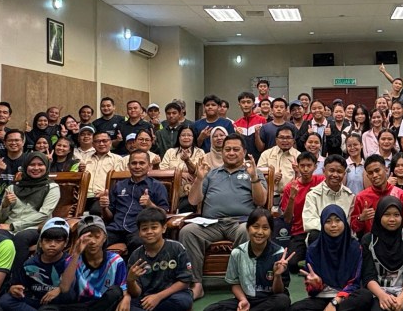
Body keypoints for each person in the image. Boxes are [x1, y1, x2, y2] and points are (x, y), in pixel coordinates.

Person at [180, 133, 267, 299]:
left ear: (244, 152)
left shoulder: (253, 172)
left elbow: (261, 201)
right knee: (188, 231)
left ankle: (242, 282)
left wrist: (254, 177)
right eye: (227, 149)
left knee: (248, 230)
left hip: (241, 222)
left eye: (236, 149)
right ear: (222, 152)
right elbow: (193, 200)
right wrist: (199, 179)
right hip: (211, 223)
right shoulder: (211, 173)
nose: (231, 153)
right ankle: (196, 284)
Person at [204, 208, 292, 311]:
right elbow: (235, 283)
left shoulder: (279, 253)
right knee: (212, 309)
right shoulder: (237, 252)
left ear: (271, 231)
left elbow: (279, 292)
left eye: (265, 228)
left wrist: (277, 275)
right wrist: (243, 300)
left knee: (282, 301)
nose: (260, 232)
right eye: (255, 227)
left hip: (269, 300)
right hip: (247, 299)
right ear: (247, 228)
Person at [0, 152, 61, 272]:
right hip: (9, 227)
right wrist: (5, 205)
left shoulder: (52, 188)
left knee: (22, 237)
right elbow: (0, 219)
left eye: (40, 164)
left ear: (46, 166)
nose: (36, 168)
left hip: (36, 227)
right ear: (25, 167)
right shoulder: (12, 188)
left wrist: (13, 226)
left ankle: (16, 276)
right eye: (32, 164)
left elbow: (43, 215)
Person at [351, 196, 403, 311]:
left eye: (396, 215)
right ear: (379, 216)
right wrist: (382, 296)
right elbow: (368, 275)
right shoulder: (368, 240)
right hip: (377, 293)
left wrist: (402, 299)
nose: (392, 219)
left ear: (402, 216)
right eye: (387, 214)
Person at [290, 205, 365, 311]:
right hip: (322, 297)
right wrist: (316, 284)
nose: (333, 225)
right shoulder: (314, 249)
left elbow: (355, 283)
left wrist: (335, 302)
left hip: (346, 298)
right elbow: (312, 292)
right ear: (322, 224)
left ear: (344, 222)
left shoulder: (354, 247)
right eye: (328, 221)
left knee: (364, 296)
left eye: (338, 220)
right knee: (295, 309)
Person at [101, 150, 170, 256]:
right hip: (116, 228)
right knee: (94, 239)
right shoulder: (119, 185)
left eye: (142, 163)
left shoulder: (157, 186)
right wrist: (104, 208)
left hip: (139, 229)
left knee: (138, 242)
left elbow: (164, 214)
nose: (137, 166)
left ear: (149, 166)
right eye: (134, 163)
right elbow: (108, 217)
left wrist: (150, 205)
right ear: (128, 166)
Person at [125, 208, 194, 311]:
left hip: (171, 295)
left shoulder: (177, 248)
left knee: (183, 301)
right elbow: (137, 293)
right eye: (144, 229)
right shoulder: (135, 256)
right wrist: (131, 280)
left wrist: (158, 297)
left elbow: (185, 281)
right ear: (139, 232)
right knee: (125, 305)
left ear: (164, 228)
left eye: (154, 227)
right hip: (146, 298)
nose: (149, 232)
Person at [0, 218, 71, 311]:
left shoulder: (71, 263)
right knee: (6, 300)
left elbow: (79, 289)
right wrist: (14, 289)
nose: (52, 244)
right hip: (36, 301)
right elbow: (17, 285)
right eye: (47, 240)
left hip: (59, 303)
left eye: (58, 241)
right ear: (40, 242)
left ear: (65, 243)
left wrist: (60, 290)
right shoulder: (30, 264)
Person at [56, 215, 129, 310]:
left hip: (105, 304)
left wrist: (127, 297)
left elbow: (122, 289)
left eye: (97, 236)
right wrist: (76, 254)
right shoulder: (72, 260)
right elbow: (65, 288)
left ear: (104, 238)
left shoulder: (116, 261)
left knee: (115, 291)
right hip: (80, 305)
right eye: (88, 237)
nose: (92, 241)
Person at [350, 155, 403, 239]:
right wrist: (361, 218)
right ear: (367, 176)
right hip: (372, 243)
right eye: (370, 173)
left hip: (397, 242)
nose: (374, 175)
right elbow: (354, 227)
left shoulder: (401, 195)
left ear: (386, 170)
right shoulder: (361, 197)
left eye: (377, 170)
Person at [280, 152, 326, 272]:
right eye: (302, 166)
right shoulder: (290, 188)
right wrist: (292, 198)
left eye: (309, 166)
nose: (305, 169)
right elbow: (287, 219)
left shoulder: (322, 181)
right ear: (298, 167)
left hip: (318, 229)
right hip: (299, 232)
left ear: (315, 166)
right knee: (292, 265)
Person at [302, 155, 355, 243]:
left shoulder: (349, 196)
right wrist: (332, 228)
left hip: (342, 238)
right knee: (314, 235)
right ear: (324, 171)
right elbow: (309, 222)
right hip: (321, 237)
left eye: (339, 172)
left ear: (344, 174)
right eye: (331, 171)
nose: (335, 175)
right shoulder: (313, 195)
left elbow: (349, 223)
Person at [0, 129, 29, 215]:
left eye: (17, 140)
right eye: (10, 140)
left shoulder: (30, 160)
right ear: (4, 143)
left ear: (23, 142)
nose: (13, 143)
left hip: (22, 198)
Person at [83, 130, 123, 215]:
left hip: (104, 196)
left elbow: (119, 182)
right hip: (83, 196)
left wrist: (106, 192)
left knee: (96, 212)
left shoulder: (118, 159)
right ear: (93, 144)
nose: (101, 144)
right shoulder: (85, 159)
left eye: (104, 141)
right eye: (98, 141)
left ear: (110, 142)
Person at [258, 126, 300, 195]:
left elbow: (303, 178)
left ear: (293, 140)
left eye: (288, 137)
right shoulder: (266, 154)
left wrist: (297, 172)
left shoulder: (298, 156)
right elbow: (258, 175)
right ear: (276, 140)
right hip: (270, 195)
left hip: (290, 195)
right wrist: (271, 177)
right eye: (282, 137)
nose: (285, 140)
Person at [234, 91, 266, 160]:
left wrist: (257, 134)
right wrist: (237, 135)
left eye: (248, 102)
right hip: (242, 160)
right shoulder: (236, 124)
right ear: (239, 105)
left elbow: (261, 148)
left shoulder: (261, 120)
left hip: (259, 160)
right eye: (243, 102)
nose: (246, 105)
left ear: (253, 104)